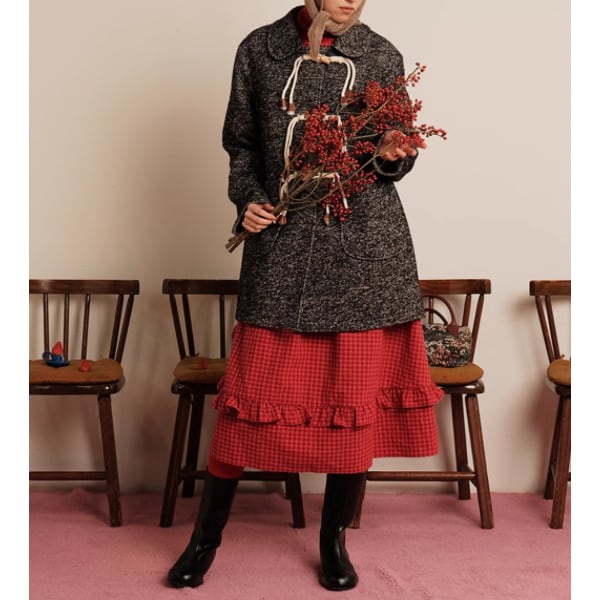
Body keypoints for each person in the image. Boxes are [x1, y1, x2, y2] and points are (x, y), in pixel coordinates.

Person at [167, 0, 443, 592]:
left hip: (366, 250)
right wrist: (248, 199)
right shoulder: (259, 50)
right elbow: (242, 143)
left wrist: (394, 153)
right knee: (248, 396)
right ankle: (205, 539)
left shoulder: (380, 55)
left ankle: (333, 541)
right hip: (284, 241)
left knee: (354, 399)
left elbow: (391, 153)